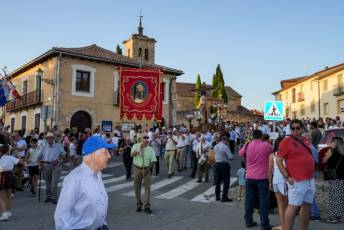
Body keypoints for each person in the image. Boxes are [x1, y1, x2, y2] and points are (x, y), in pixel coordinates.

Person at [54, 136, 112, 230]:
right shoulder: (74, 179)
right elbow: (61, 217)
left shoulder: (97, 175)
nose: (109, 156)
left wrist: (104, 224)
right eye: (105, 152)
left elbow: (99, 205)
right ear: (93, 155)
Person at [277, 119, 315, 230]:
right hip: (297, 180)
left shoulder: (305, 140)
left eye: (298, 128)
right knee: (293, 206)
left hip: (309, 179)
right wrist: (287, 176)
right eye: (292, 128)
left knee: (307, 206)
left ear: (302, 128)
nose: (295, 130)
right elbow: (279, 160)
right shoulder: (286, 141)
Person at [239, 129, 273, 230]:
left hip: (249, 176)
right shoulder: (266, 145)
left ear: (252, 136)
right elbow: (273, 150)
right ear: (261, 136)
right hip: (262, 177)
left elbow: (240, 153)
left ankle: (248, 221)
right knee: (263, 201)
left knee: (249, 200)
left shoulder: (248, 145)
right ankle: (264, 224)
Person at [131, 133, 157, 214]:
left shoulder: (150, 149)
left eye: (147, 138)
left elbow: (153, 161)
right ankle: (139, 204)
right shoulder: (135, 146)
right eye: (144, 137)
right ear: (141, 139)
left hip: (146, 169)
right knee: (136, 187)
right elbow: (131, 155)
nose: (146, 139)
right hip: (137, 168)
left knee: (147, 188)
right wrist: (139, 149)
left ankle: (147, 206)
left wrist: (147, 169)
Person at [38, 132, 65, 204]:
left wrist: (58, 160)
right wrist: (40, 165)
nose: (49, 139)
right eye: (48, 138)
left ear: (53, 138)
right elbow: (39, 157)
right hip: (46, 165)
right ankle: (48, 196)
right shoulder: (43, 146)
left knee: (54, 182)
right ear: (46, 139)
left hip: (56, 165)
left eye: (51, 138)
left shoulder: (58, 146)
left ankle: (54, 197)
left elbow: (63, 155)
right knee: (48, 183)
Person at [322, 136, 344, 223]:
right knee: (339, 197)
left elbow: (324, 161)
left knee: (334, 196)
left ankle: (333, 217)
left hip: (334, 177)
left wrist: (327, 155)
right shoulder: (342, 153)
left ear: (334, 143)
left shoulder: (331, 151)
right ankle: (338, 216)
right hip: (341, 176)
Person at [268, 137, 287, 230]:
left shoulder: (273, 155)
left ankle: (283, 226)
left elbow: (270, 170)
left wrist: (269, 182)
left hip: (277, 180)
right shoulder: (289, 154)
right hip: (287, 179)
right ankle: (287, 225)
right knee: (288, 205)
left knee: (280, 205)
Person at [0, 144, 23, 221]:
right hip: (10, 175)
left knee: (1, 196)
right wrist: (17, 155)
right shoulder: (11, 157)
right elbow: (22, 162)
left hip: (1, 175)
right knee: (8, 195)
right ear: (8, 151)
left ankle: (4, 213)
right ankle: (7, 212)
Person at [214, 136, 233, 202]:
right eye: (227, 141)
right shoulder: (225, 147)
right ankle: (224, 197)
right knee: (226, 181)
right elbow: (230, 156)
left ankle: (217, 196)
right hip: (224, 165)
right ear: (225, 141)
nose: (228, 143)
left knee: (218, 181)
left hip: (216, 164)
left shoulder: (216, 146)